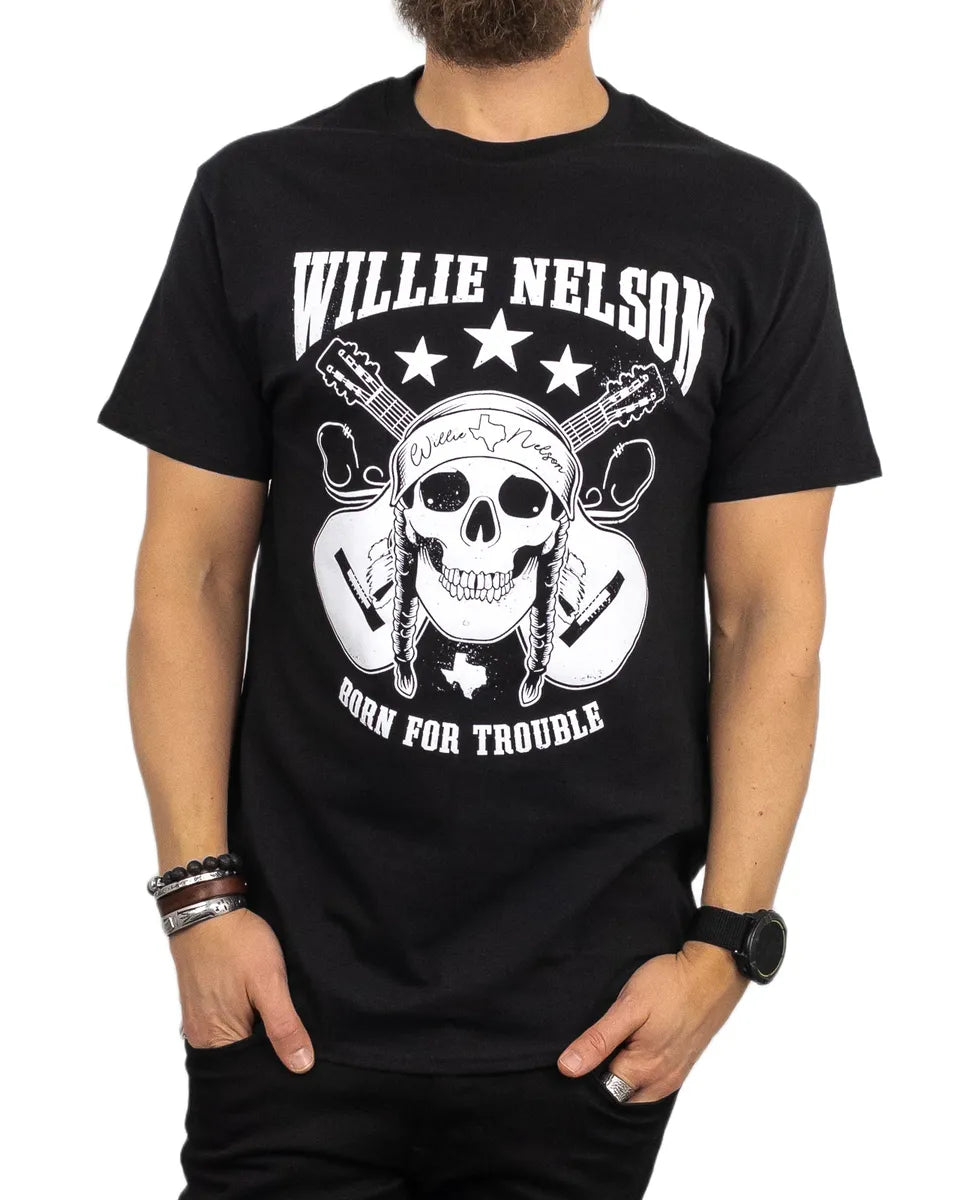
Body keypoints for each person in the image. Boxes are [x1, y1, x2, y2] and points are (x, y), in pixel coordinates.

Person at [99, 1, 881, 1195]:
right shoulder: (259, 198)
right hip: (284, 991)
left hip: (595, 1013)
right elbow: (192, 576)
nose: (480, 535)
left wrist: (727, 944)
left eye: (519, 509)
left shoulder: (749, 223)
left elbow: (772, 614)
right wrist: (200, 906)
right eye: (447, 501)